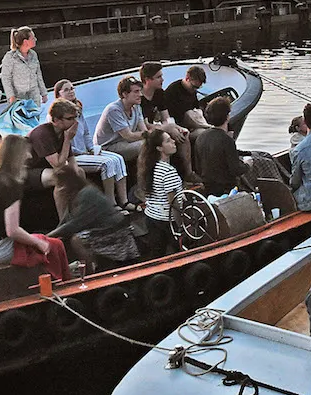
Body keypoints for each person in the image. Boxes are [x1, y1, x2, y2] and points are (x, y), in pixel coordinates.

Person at [0, 135, 69, 281]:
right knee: (55, 245)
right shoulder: (11, 183)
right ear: (17, 154)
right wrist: (39, 243)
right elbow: (12, 230)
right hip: (0, 249)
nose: (29, 155)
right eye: (26, 151)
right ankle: (62, 284)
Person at [49, 163, 140, 267]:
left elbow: (76, 224)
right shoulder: (73, 195)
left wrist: (49, 236)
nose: (59, 189)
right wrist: (50, 237)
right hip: (100, 229)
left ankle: (89, 272)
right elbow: (66, 220)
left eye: (60, 185)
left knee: (77, 240)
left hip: (114, 230)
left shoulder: (87, 193)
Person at [26, 99, 80, 210]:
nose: (75, 122)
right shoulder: (43, 134)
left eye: (75, 117)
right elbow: (58, 165)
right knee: (61, 178)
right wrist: (67, 140)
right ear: (56, 120)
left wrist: (77, 176)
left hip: (44, 168)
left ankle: (77, 212)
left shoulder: (63, 133)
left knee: (80, 172)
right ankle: (64, 221)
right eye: (70, 118)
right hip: (26, 172)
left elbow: (71, 160)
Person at [191, 96, 249, 196]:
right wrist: (248, 164)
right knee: (261, 161)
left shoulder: (201, 137)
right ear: (227, 117)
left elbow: (198, 167)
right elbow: (236, 169)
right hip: (227, 188)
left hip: (209, 187)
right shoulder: (226, 140)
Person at [139, 128, 183, 257]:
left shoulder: (149, 167)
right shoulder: (169, 172)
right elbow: (173, 204)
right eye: (168, 141)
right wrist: (181, 226)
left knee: (157, 254)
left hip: (151, 217)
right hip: (167, 221)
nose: (174, 142)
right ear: (159, 148)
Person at [96, 76, 150, 174]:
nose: (140, 94)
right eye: (136, 92)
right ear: (125, 94)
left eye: (140, 91)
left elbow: (144, 130)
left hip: (125, 143)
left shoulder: (136, 106)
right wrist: (150, 136)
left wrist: (152, 136)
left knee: (162, 142)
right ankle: (145, 182)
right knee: (146, 145)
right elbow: (128, 136)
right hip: (108, 147)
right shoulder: (114, 110)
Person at [0, 26, 48, 105]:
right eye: (33, 38)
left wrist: (43, 93)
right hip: (18, 96)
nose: (35, 39)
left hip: (34, 95)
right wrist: (11, 96)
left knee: (35, 115)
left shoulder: (33, 54)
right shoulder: (10, 57)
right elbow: (6, 78)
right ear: (25, 42)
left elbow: (38, 74)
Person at [161, 65, 209, 130]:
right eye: (194, 87)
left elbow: (196, 107)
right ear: (187, 79)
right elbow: (168, 116)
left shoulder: (192, 91)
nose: (195, 90)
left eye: (198, 88)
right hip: (179, 125)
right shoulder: (172, 91)